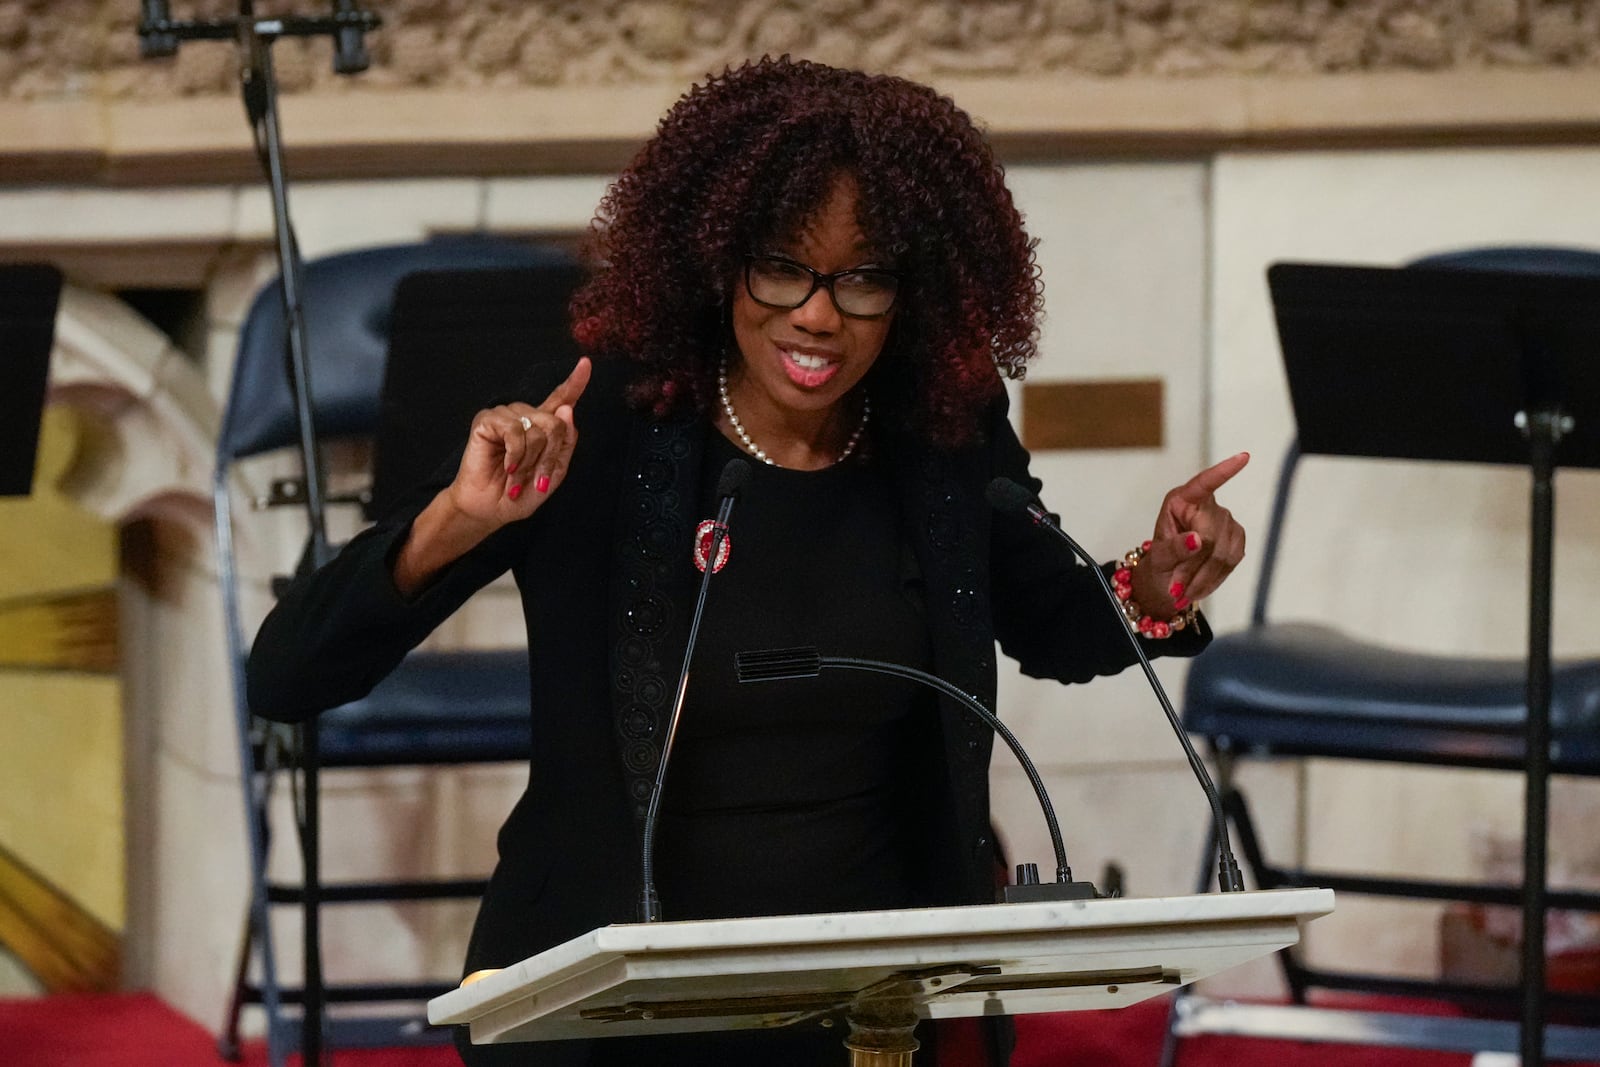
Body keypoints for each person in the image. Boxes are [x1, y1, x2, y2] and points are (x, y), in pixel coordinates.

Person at [247, 55, 1247, 1067]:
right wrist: (456, 520)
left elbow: (1051, 619)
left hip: (875, 998)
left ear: (911, 287)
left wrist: (1154, 583)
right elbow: (288, 673)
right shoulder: (603, 421)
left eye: (861, 278)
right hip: (623, 995)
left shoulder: (940, 427)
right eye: (781, 266)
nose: (817, 313)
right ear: (718, 257)